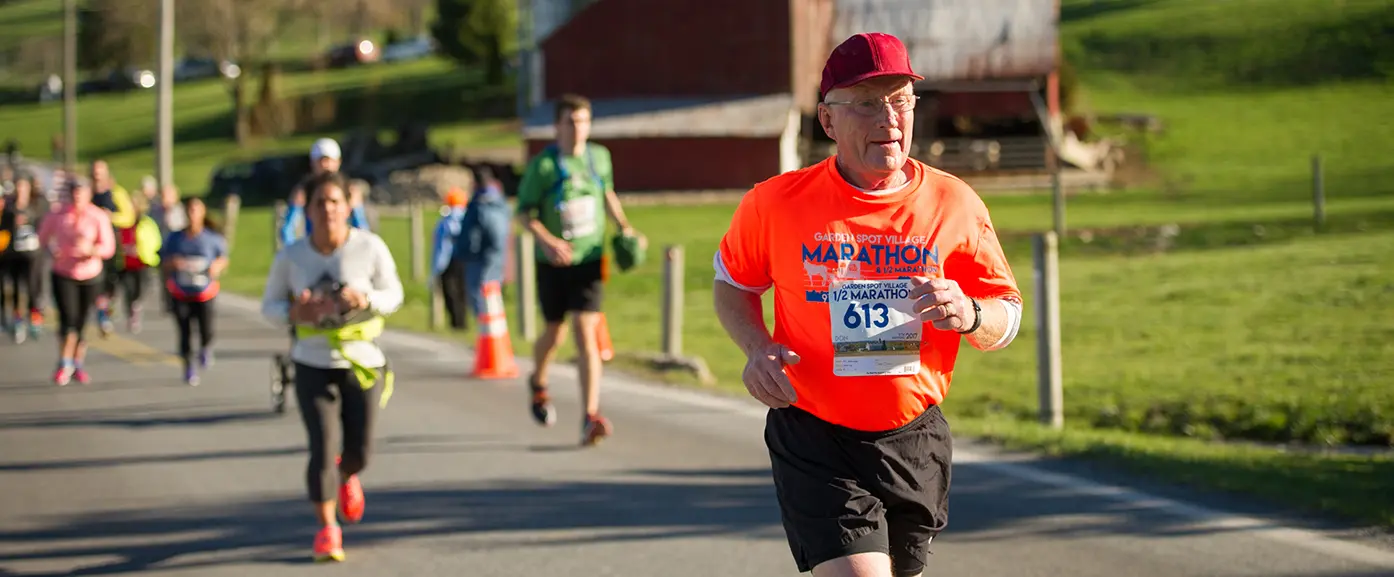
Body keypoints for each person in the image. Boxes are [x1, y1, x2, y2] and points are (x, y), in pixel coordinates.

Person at [712, 33, 1024, 577]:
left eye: (900, 100)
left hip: (915, 437)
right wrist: (757, 348)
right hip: (815, 432)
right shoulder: (775, 203)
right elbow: (732, 283)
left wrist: (971, 313)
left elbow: (1008, 313)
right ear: (828, 120)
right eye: (866, 103)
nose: (889, 118)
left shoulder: (954, 202)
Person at [260, 171, 404, 563]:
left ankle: (347, 475)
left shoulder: (368, 247)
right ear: (307, 210)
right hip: (312, 359)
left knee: (360, 451)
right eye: (319, 203)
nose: (328, 210)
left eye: (334, 202)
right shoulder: (292, 256)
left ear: (348, 206)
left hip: (362, 360)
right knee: (321, 447)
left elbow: (395, 294)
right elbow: (269, 306)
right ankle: (327, 530)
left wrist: (365, 299)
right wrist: (295, 311)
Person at [515, 93, 643, 446]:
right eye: (571, 122)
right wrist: (546, 241)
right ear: (557, 126)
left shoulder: (598, 158)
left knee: (586, 332)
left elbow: (607, 193)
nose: (578, 129)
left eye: (584, 121)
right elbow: (524, 213)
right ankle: (538, 381)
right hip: (553, 262)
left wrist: (625, 227)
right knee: (554, 333)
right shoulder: (543, 167)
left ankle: (590, 416)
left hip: (589, 258)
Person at [38, 177, 116, 386]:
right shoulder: (57, 214)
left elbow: (109, 247)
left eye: (82, 193)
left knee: (81, 321)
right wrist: (52, 250)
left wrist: (92, 250)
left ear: (89, 194)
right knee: (68, 319)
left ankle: (78, 363)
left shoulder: (97, 216)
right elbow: (42, 238)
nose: (77, 197)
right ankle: (64, 363)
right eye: (74, 193)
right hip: (63, 273)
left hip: (90, 274)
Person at [161, 197, 228, 386]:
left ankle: (205, 347)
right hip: (181, 292)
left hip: (204, 292)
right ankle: (188, 366)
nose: (192, 214)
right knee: (184, 331)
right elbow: (164, 261)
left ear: (203, 212)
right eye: (189, 210)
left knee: (206, 329)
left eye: (196, 210)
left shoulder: (212, 238)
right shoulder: (175, 238)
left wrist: (216, 267)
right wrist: (174, 264)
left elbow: (223, 258)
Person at [280, 138, 368, 247]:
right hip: (314, 249)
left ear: (338, 162)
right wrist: (297, 252)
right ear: (312, 163)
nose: (326, 165)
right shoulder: (303, 192)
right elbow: (287, 229)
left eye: (330, 161)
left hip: (342, 248)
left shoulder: (349, 190)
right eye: (321, 161)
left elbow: (362, 228)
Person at [457, 167, 512, 326]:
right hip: (493, 253)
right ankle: (491, 328)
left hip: (479, 255)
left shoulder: (481, 203)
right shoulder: (498, 201)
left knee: (481, 292)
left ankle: (486, 329)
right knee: (490, 291)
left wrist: (467, 250)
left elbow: (478, 232)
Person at [89, 159, 135, 336]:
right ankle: (102, 314)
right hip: (92, 246)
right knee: (96, 281)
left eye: (100, 172)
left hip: (113, 245)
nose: (97, 175)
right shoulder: (87, 193)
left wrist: (110, 217)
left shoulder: (117, 193)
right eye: (95, 172)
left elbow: (129, 217)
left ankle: (107, 310)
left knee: (111, 281)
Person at [0, 174, 45, 343]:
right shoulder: (9, 208)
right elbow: (3, 229)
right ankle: (17, 319)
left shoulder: (36, 205)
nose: (21, 190)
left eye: (24, 186)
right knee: (15, 288)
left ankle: (34, 317)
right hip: (13, 253)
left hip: (33, 254)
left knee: (33, 286)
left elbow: (44, 227)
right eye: (18, 186)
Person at [110, 197, 163, 334]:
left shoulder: (147, 223)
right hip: (125, 263)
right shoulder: (123, 223)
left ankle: (135, 310)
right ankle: (130, 313)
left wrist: (141, 250)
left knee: (140, 290)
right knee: (127, 288)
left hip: (142, 262)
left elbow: (155, 241)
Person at [431, 186, 471, 331]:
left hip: (449, 260)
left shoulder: (447, 220)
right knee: (462, 291)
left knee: (450, 291)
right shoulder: (468, 217)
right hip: (465, 260)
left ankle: (456, 323)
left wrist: (437, 266)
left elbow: (443, 245)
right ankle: (462, 322)